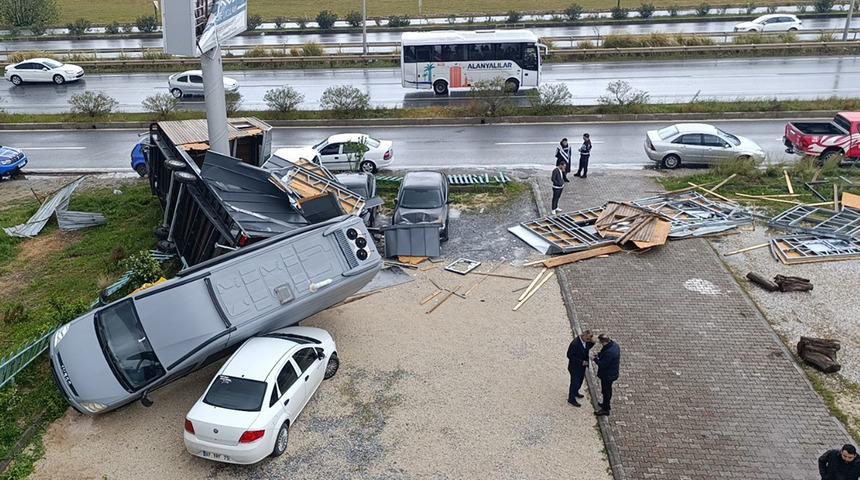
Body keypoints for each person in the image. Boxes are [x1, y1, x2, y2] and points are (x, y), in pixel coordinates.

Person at [593, 333, 620, 416]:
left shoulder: (609, 352)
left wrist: (595, 359)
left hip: (608, 375)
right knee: (607, 390)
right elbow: (604, 351)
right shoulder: (614, 345)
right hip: (612, 373)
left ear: (603, 342)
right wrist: (599, 355)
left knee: (606, 391)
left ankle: (605, 409)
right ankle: (605, 404)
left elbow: (603, 365)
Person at [566, 330, 595, 407]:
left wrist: (592, 340)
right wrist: (581, 362)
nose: (589, 340)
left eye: (589, 339)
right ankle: (571, 398)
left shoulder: (586, 341)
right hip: (575, 367)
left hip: (582, 367)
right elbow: (569, 355)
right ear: (583, 336)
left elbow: (590, 345)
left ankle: (576, 392)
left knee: (580, 381)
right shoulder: (575, 344)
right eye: (588, 339)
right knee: (574, 383)